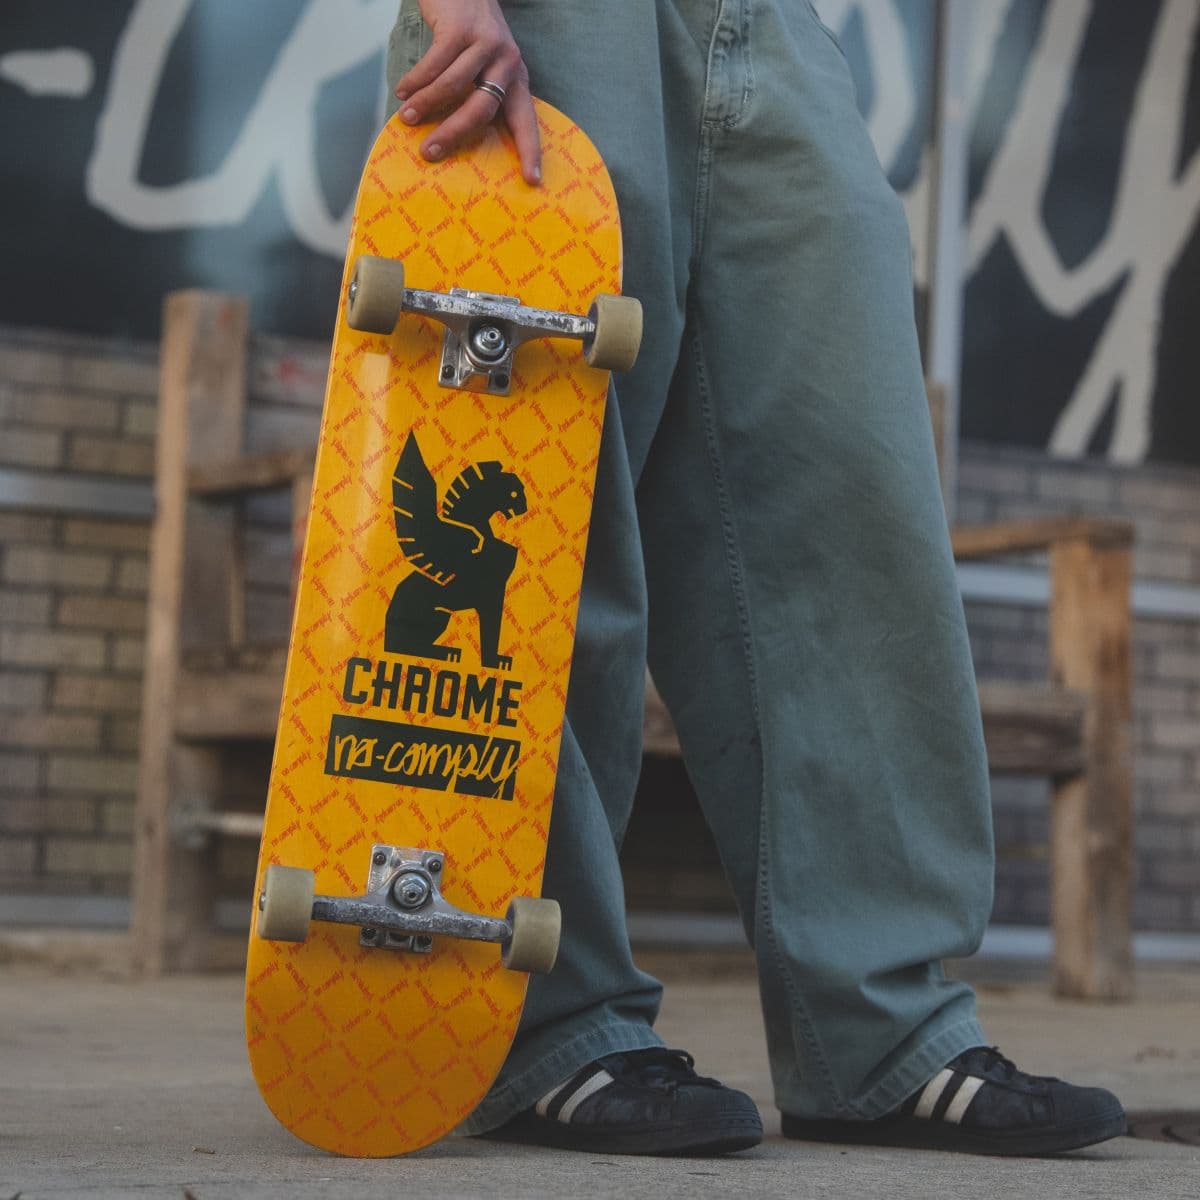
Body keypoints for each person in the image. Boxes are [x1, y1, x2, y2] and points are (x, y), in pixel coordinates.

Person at [384, 0, 1127, 1157]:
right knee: (547, 510)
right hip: (545, 22)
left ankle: (880, 1032)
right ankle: (544, 1020)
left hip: (769, 23)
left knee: (846, 497)